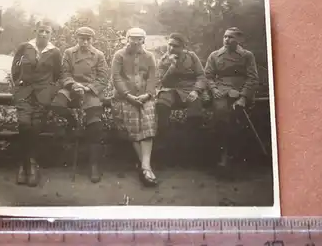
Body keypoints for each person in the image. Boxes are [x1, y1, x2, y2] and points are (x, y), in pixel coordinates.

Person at [51, 26, 109, 183]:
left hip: (90, 91)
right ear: (76, 38)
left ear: (92, 40)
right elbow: (64, 73)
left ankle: (94, 165)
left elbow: (103, 78)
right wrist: (73, 85)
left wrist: (88, 88)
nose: (85, 42)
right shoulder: (69, 53)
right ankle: (73, 121)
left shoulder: (98, 55)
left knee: (95, 126)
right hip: (71, 89)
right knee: (57, 105)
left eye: (88, 39)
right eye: (82, 38)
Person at [10, 20, 62, 187]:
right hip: (24, 93)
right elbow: (15, 69)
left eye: (47, 32)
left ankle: (31, 165)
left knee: (35, 128)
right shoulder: (25, 47)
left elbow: (57, 75)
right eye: (41, 31)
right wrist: (18, 84)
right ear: (36, 31)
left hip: (42, 96)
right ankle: (24, 164)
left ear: (51, 34)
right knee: (24, 125)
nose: (44, 34)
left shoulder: (54, 52)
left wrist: (49, 91)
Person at [204, 27, 259, 166]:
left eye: (231, 37)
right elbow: (208, 76)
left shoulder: (247, 55)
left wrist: (243, 97)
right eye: (225, 37)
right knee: (221, 114)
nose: (227, 40)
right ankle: (223, 153)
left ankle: (238, 154)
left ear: (239, 40)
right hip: (221, 91)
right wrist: (214, 89)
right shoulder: (215, 55)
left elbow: (252, 78)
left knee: (238, 117)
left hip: (240, 91)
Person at [111, 27, 158, 187]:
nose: (136, 42)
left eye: (139, 39)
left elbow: (153, 78)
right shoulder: (119, 55)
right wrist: (128, 95)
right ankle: (147, 167)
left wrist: (147, 95)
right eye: (132, 38)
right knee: (133, 124)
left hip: (145, 96)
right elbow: (116, 77)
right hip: (125, 97)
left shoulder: (150, 56)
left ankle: (144, 166)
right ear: (127, 39)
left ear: (143, 40)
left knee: (147, 121)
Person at [156, 33, 207, 137]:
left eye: (175, 46)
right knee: (161, 104)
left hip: (190, 89)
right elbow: (163, 82)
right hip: (171, 90)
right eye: (169, 44)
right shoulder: (163, 60)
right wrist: (172, 66)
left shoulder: (191, 57)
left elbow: (201, 75)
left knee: (195, 111)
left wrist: (196, 90)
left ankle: (191, 138)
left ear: (183, 47)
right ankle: (165, 137)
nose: (171, 48)